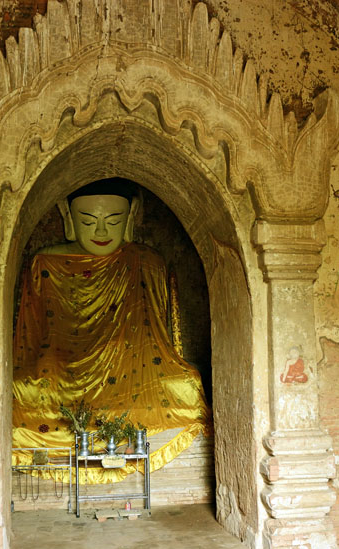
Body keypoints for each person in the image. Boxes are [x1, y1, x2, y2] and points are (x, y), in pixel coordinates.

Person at [11, 179, 208, 483]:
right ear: (68, 219)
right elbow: (33, 333)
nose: (101, 231)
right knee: (19, 388)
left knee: (187, 382)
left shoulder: (146, 261)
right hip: (60, 371)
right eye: (89, 221)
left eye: (113, 220)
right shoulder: (46, 261)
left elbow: (156, 334)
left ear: (130, 219)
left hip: (131, 373)